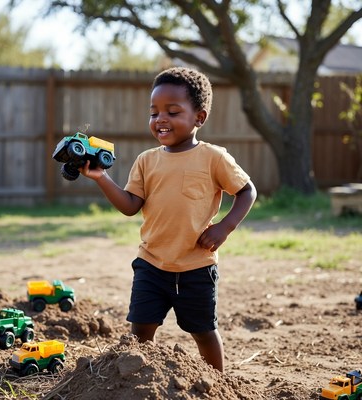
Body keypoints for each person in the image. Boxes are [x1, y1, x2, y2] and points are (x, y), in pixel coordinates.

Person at [79, 67, 257, 372]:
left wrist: (224, 227)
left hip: (196, 266)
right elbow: (130, 205)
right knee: (140, 332)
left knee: (203, 332)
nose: (160, 118)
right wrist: (102, 177)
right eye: (154, 112)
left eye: (172, 111)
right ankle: (136, 383)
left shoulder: (214, 157)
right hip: (151, 264)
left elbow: (247, 191)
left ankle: (218, 385)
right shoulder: (146, 160)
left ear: (199, 118)